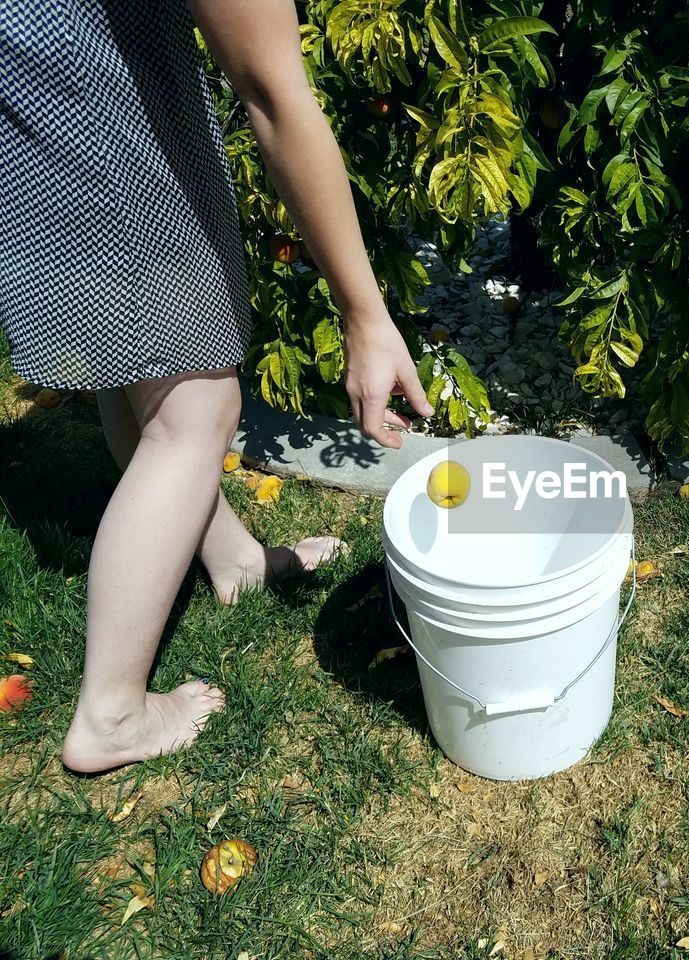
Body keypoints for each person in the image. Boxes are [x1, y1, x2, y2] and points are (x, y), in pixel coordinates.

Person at [0, 0, 432, 772]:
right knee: (196, 410)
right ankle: (112, 714)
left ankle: (232, 560)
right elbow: (271, 90)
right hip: (109, 142)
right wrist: (365, 313)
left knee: (140, 371)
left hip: (41, 126)